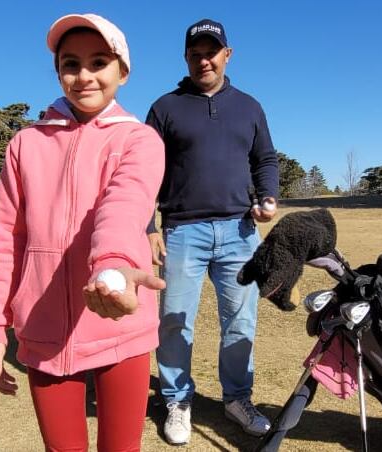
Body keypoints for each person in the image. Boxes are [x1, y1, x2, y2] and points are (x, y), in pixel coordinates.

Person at [0, 13, 166, 452]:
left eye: (98, 62)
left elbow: (123, 206)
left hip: (122, 321)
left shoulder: (140, 140)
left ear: (123, 71)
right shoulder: (25, 144)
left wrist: (113, 269)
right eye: (70, 64)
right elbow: (6, 239)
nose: (84, 76)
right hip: (43, 329)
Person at [146, 19, 280, 445]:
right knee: (174, 323)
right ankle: (177, 401)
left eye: (211, 51)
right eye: (195, 53)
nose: (204, 59)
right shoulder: (165, 107)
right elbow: (143, 173)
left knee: (241, 322)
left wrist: (269, 197)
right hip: (183, 230)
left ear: (227, 54)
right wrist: (148, 225)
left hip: (240, 231)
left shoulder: (250, 106)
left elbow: (265, 160)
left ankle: (237, 398)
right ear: (186, 57)